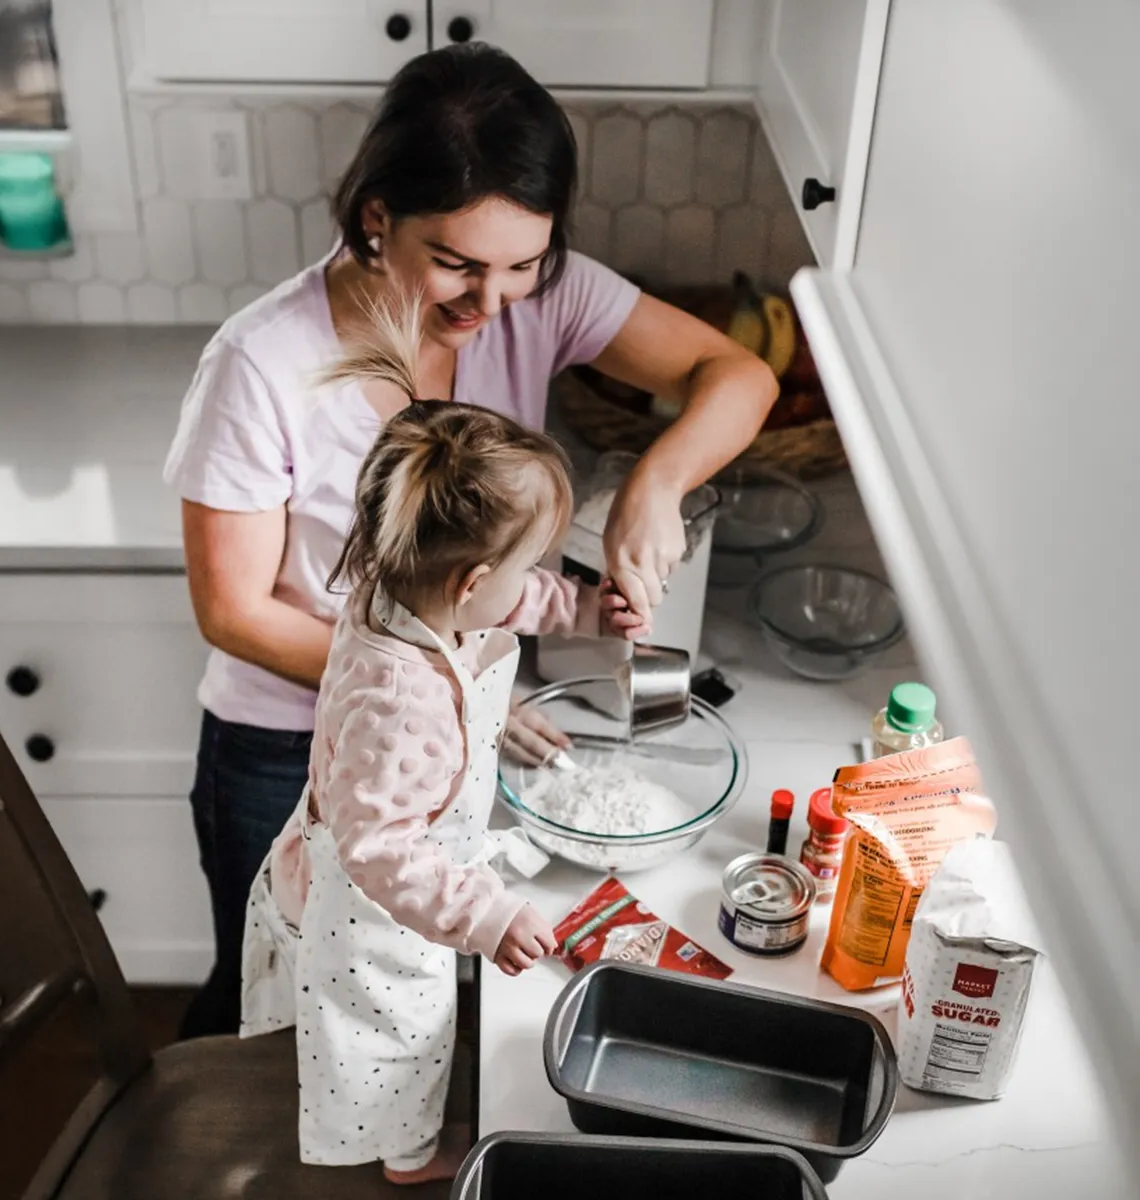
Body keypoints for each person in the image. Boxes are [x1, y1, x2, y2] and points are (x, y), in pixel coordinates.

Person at [163, 41, 776, 1039]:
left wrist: (652, 489)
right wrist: (443, 694)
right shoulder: (261, 363)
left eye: (521, 267)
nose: (489, 307)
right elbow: (232, 612)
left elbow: (737, 375)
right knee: (269, 1000)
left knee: (386, 986)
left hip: (451, 726)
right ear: (376, 219)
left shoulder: (543, 298)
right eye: (454, 263)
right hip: (289, 745)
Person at [239, 292, 644, 1182]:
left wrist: (580, 608)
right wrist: (484, 914)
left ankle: (411, 1134)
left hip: (413, 865)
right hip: (376, 908)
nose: (538, 581)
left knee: (422, 1024)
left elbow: (505, 598)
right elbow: (380, 842)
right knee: (401, 1033)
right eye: (534, 567)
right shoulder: (399, 698)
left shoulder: (398, 576)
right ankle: (410, 1160)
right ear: (473, 582)